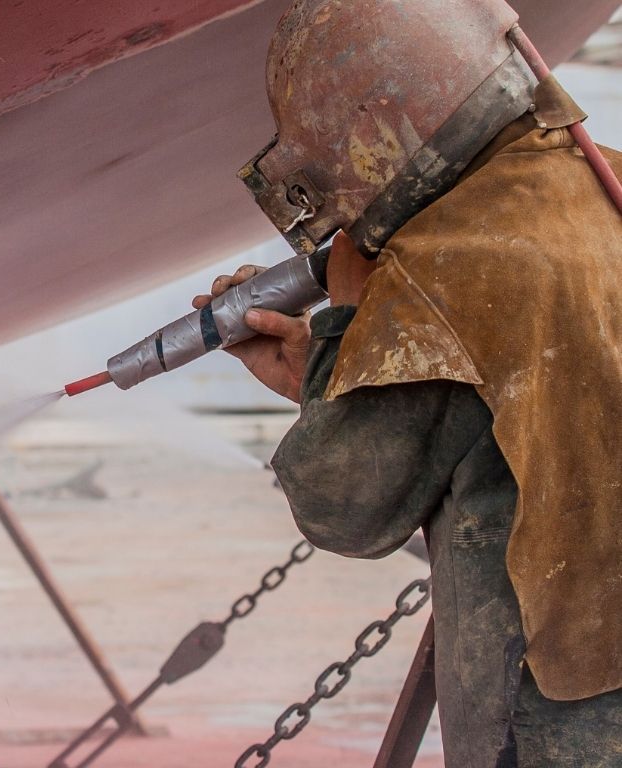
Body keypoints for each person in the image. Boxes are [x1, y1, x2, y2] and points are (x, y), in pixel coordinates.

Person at [200, 0, 622, 765]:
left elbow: (344, 509)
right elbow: (525, 402)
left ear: (373, 127)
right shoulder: (602, 183)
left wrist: (348, 317)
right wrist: (330, 372)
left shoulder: (444, 268)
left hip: (561, 715)